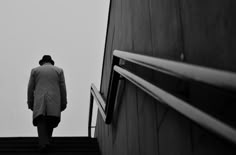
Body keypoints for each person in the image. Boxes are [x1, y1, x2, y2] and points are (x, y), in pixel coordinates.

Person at [27, 55, 67, 152]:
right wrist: (63, 102)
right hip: (54, 101)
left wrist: (30, 102)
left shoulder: (35, 71)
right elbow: (63, 88)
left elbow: (30, 88)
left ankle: (43, 143)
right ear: (51, 62)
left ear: (41, 62)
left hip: (40, 100)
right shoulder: (59, 71)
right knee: (51, 121)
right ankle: (47, 141)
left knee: (41, 121)